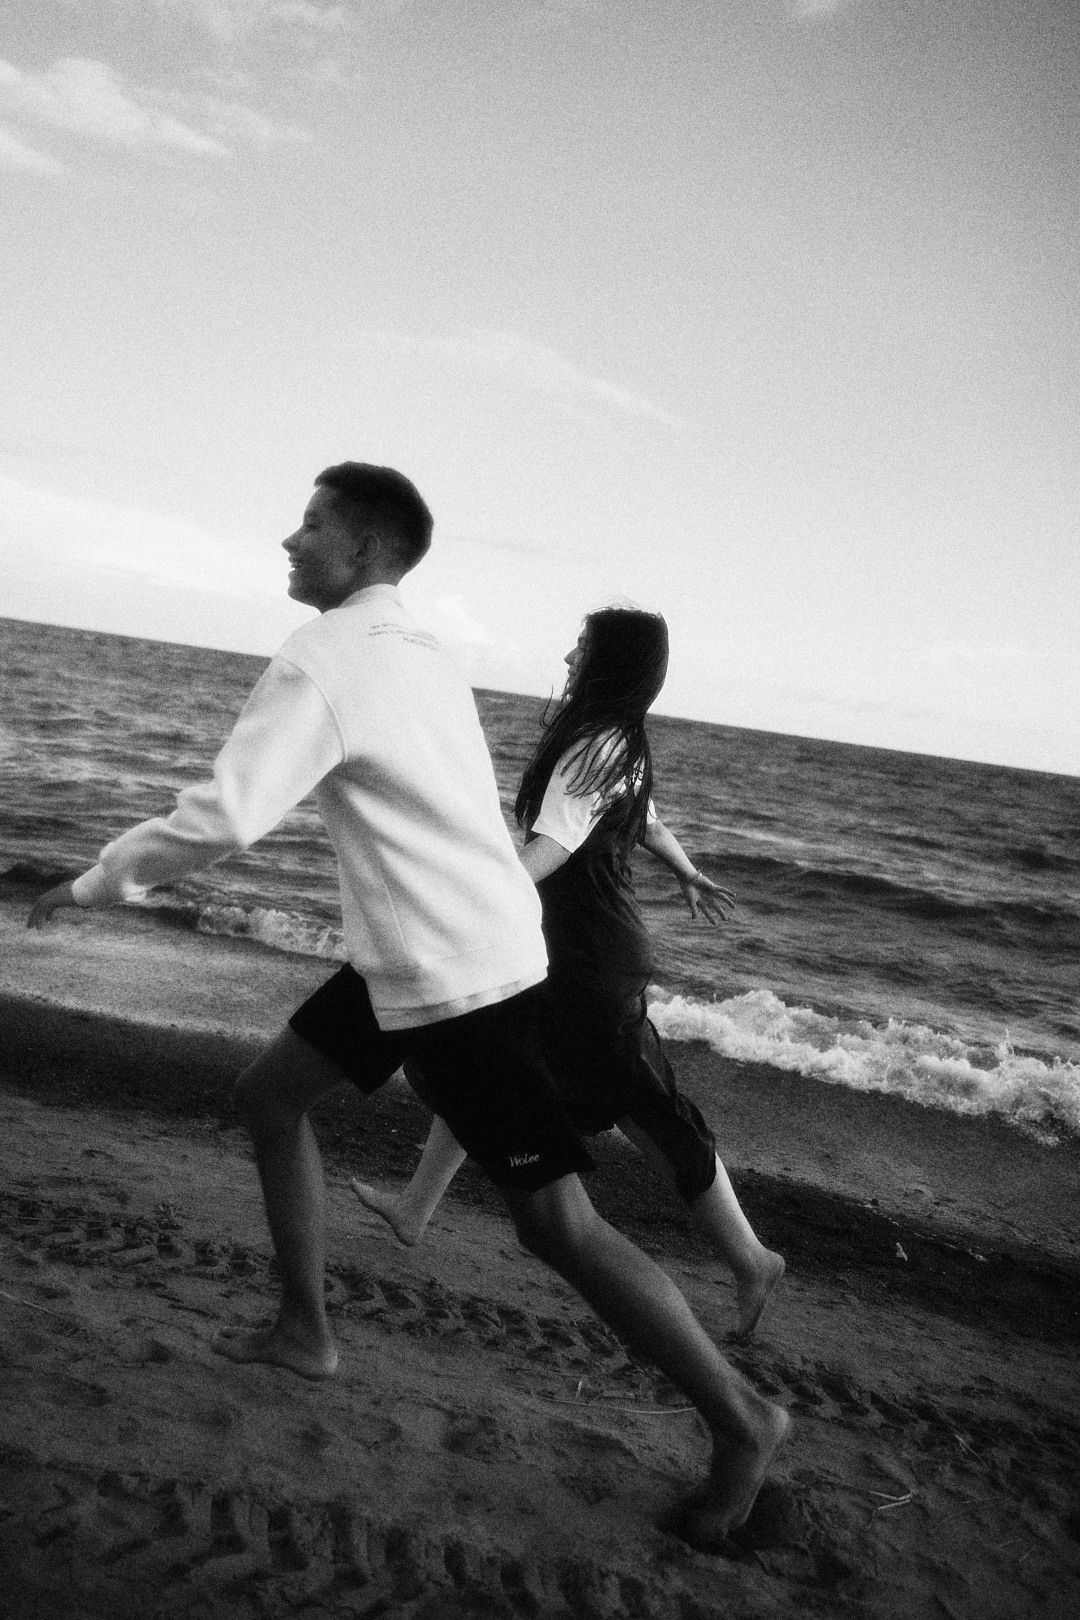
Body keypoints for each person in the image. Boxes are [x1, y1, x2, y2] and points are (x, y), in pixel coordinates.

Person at [28, 465, 789, 1549]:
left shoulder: (324, 656)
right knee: (270, 1097)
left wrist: (94, 883)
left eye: (311, 525)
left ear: (365, 548)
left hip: (454, 974)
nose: (290, 541)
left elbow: (227, 816)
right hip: (427, 948)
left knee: (558, 1225)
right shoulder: (427, 654)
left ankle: (743, 1421)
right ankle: (305, 1331)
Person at [352, 607, 785, 1340]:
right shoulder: (618, 742)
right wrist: (687, 871)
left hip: (588, 962)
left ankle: (752, 1257)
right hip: (568, 948)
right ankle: (414, 1208)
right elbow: (646, 822)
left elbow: (553, 846)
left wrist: (468, 898)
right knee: (484, 1059)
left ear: (610, 660)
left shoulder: (598, 744)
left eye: (582, 646)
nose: (568, 657)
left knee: (647, 1110)